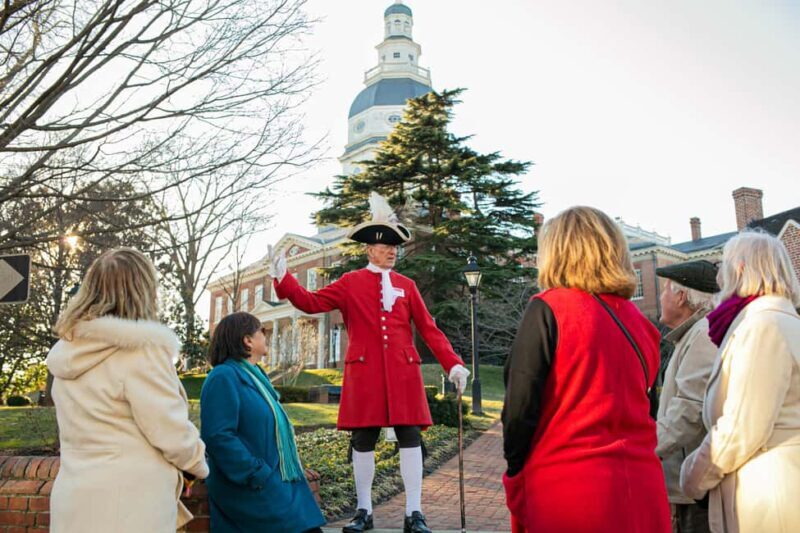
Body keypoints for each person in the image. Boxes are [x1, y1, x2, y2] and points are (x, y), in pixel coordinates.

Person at [267, 192, 470, 533]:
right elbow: (310, 302)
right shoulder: (350, 283)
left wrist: (453, 364)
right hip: (365, 374)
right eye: (385, 245)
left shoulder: (408, 285)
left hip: (404, 373)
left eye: (395, 245)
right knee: (363, 440)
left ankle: (414, 513)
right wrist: (283, 277)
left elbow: (428, 328)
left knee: (410, 437)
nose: (392, 251)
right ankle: (364, 511)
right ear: (369, 249)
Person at [502, 206, 671, 533]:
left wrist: (515, 471)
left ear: (557, 253)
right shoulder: (644, 325)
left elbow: (520, 408)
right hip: (643, 486)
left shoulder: (549, 307)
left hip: (570, 487)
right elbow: (648, 406)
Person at [46, 248, 208, 533]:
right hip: (131, 506)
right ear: (142, 290)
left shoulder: (67, 351)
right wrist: (197, 465)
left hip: (74, 501)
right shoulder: (141, 350)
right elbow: (169, 429)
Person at [680, 231, 800, 532]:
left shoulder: (763, 327)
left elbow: (741, 429)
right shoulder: (781, 322)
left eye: (724, 265)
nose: (719, 276)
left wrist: (693, 477)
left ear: (742, 269)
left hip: (769, 496)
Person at [200, 312, 325, 533]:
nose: (266, 337)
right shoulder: (223, 377)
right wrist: (258, 473)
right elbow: (218, 437)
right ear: (247, 340)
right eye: (262, 331)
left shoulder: (257, 377)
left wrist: (289, 466)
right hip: (251, 487)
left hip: (276, 482)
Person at [655, 260, 719, 533]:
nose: (661, 297)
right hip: (689, 481)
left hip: (695, 487)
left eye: (665, 290)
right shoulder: (693, 334)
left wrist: (646, 451)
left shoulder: (703, 334)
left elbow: (688, 409)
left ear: (681, 296)